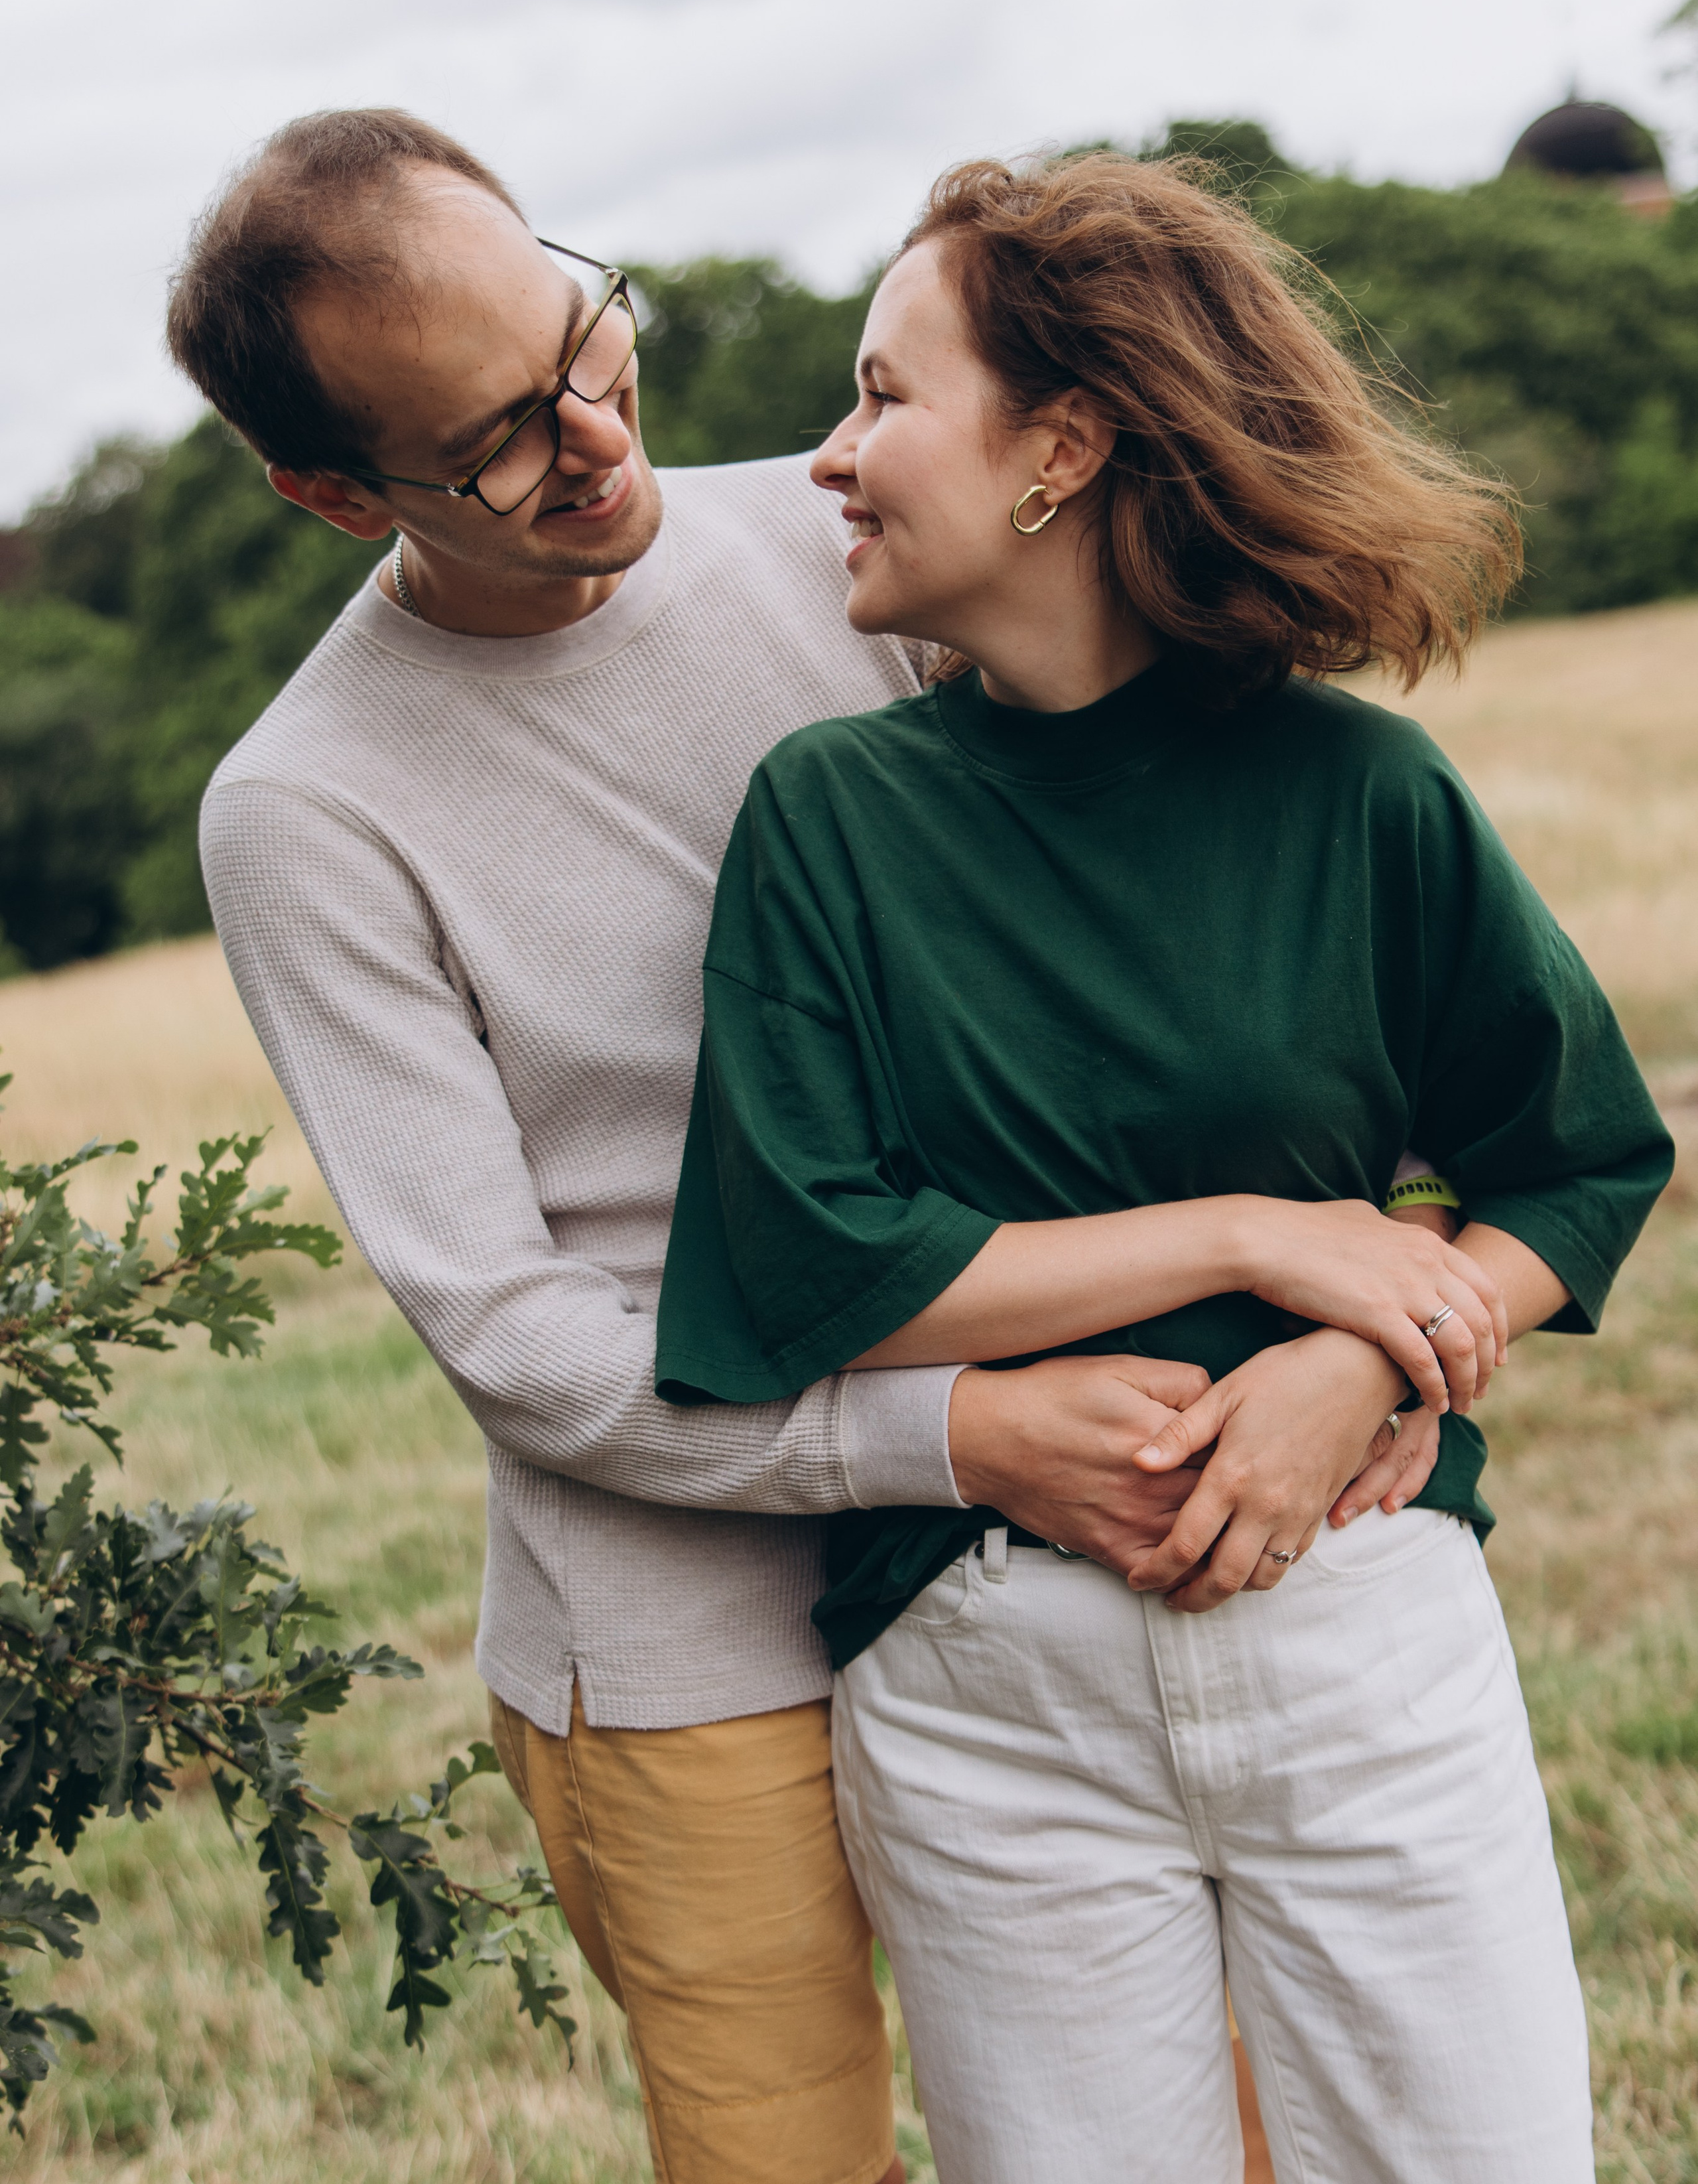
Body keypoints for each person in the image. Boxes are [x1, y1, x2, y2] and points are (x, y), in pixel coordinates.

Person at [177, 110, 1451, 2184]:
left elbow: (1209, 969)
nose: (596, 439)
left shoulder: (878, 537)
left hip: (1056, 1553)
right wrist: (958, 1430)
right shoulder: (306, 811)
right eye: (497, 439)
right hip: (685, 1641)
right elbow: (526, 1346)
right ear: (330, 495)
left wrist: (1363, 1318)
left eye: (587, 340)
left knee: (1185, 2138)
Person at [655, 149, 1674, 2183]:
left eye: (879, 397)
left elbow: (1573, 1161)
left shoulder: (1361, 790)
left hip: (1359, 1641)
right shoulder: (832, 818)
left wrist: (1376, 1354)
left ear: (1061, 449)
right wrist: (1248, 1240)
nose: (827, 462)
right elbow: (805, 1261)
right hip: (985, 1690)